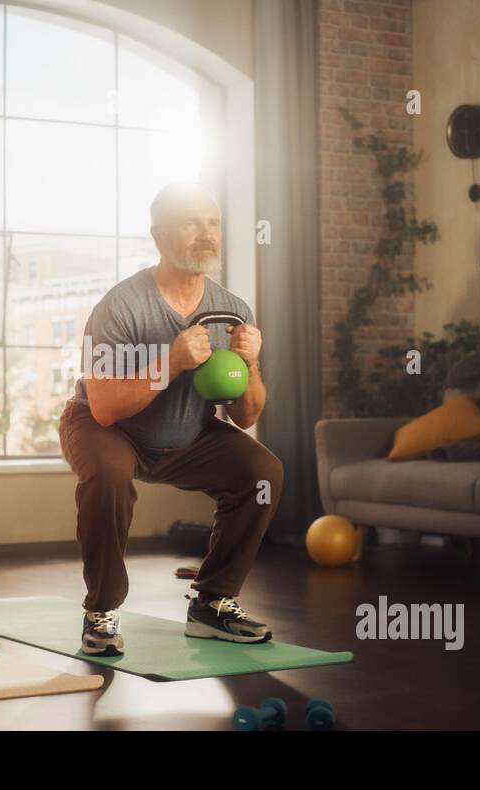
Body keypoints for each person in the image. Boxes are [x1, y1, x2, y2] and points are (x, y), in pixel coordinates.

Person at [59, 182, 283, 656]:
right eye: (190, 223)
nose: (206, 234)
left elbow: (245, 416)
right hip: (107, 428)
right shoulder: (121, 305)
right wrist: (172, 361)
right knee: (108, 476)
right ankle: (101, 609)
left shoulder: (233, 311)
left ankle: (213, 604)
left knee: (262, 472)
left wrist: (253, 365)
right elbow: (104, 407)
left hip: (186, 435)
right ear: (159, 235)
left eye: (213, 223)